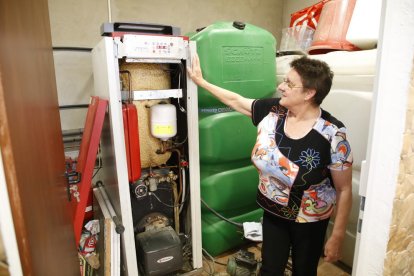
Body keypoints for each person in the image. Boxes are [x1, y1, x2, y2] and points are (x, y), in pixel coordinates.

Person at [187, 54, 353, 276]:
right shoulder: (274, 111)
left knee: (304, 271)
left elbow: (344, 189)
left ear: (309, 93)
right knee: (270, 269)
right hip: (273, 212)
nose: (281, 86)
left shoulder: (332, 134)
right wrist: (201, 82)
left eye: (289, 84)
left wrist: (338, 235)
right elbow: (236, 100)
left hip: (309, 219)